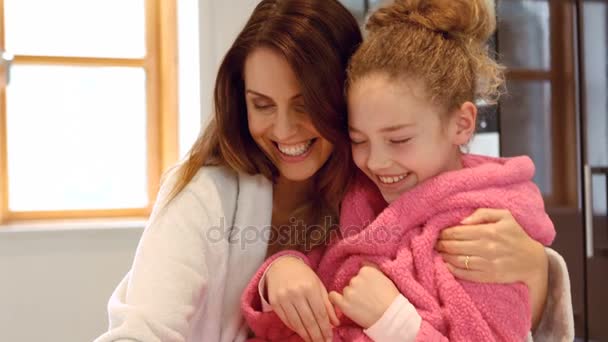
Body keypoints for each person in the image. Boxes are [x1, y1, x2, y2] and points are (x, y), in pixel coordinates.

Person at [94, 1, 572, 341]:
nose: (282, 129)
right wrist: (277, 271)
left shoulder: (359, 186)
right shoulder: (208, 195)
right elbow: (142, 330)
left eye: (305, 106)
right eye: (261, 104)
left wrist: (540, 268)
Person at [241, 0, 573, 341]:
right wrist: (281, 272)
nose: (376, 162)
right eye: (359, 140)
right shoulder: (360, 196)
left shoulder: (483, 229)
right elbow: (314, 281)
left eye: (399, 139)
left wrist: (394, 322)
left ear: (462, 124)